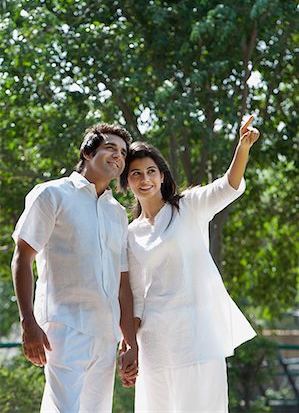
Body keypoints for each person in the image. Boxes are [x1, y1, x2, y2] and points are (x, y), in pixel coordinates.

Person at [120, 115, 260, 412]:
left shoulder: (188, 207)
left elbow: (227, 187)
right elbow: (136, 296)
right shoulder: (130, 234)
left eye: (151, 172)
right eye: (135, 174)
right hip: (155, 343)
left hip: (197, 337)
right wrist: (130, 344)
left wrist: (242, 147)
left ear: (162, 176)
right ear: (126, 182)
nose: (145, 180)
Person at [11, 123, 138, 413]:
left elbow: (122, 284)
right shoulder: (51, 195)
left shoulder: (117, 214)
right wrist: (28, 321)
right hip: (64, 328)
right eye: (110, 147)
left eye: (123, 152)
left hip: (106, 334)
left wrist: (129, 341)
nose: (118, 156)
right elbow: (23, 257)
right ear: (87, 151)